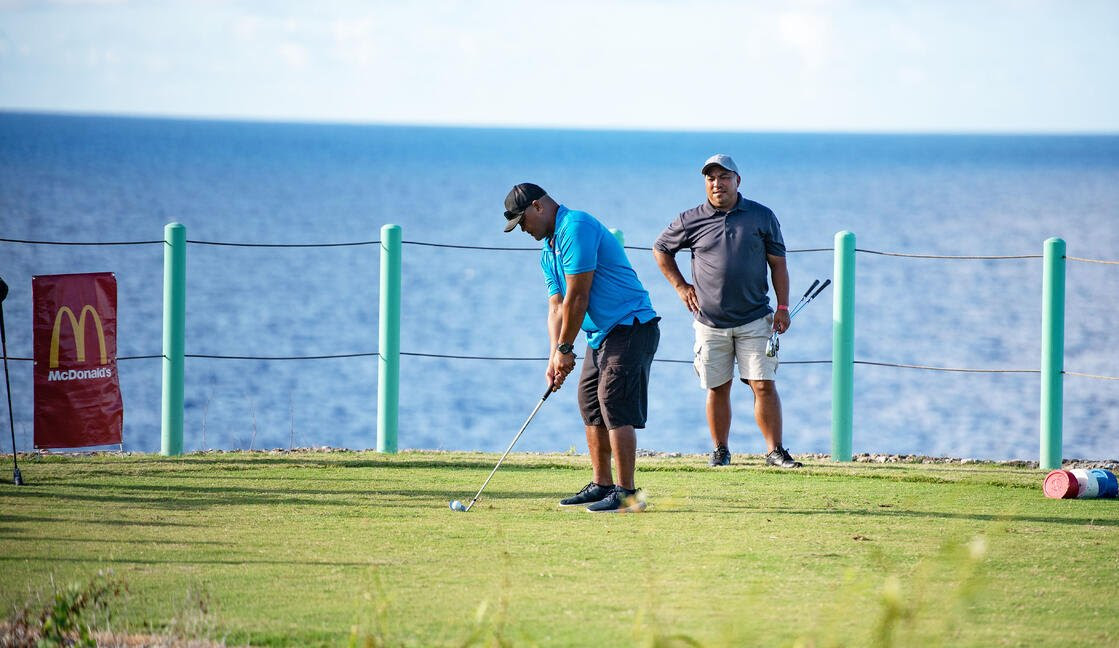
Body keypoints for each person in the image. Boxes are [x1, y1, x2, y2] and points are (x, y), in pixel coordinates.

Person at [503, 182, 660, 512]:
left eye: (523, 221)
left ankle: (628, 493)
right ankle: (603, 484)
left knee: (613, 400)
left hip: (631, 325)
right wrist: (553, 355)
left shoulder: (576, 227)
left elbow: (579, 296)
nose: (523, 230)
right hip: (601, 333)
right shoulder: (549, 249)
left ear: (538, 207)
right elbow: (557, 306)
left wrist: (565, 347)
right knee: (589, 400)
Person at [652, 154, 802, 468]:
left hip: (755, 317)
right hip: (710, 322)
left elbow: (778, 264)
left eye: (724, 177)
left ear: (737, 180)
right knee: (718, 387)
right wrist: (681, 287)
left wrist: (784, 307)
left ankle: (775, 451)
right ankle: (720, 451)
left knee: (763, 384)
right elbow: (661, 249)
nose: (717, 183)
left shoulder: (762, 216)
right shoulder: (689, 219)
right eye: (711, 178)